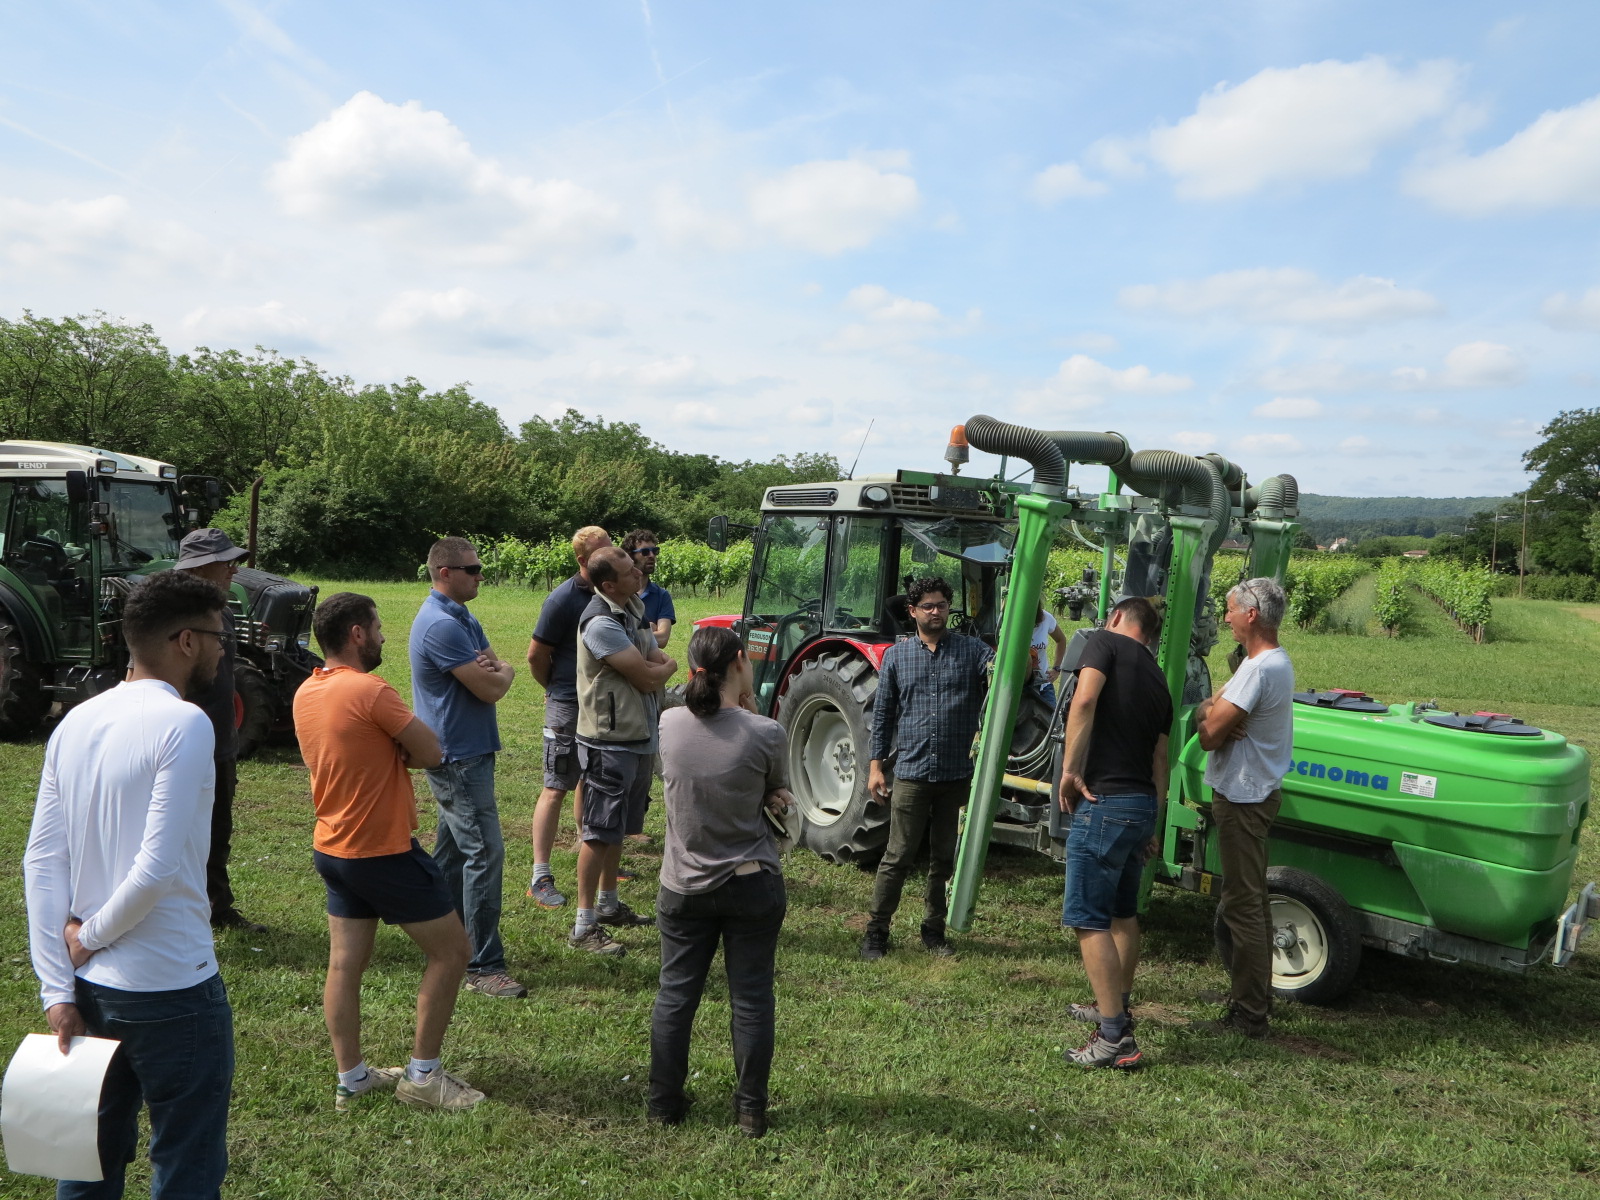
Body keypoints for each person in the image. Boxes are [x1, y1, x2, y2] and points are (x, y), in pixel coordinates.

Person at [23, 570, 234, 1198]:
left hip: (89, 990)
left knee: (85, 1161)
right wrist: (88, 938)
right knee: (186, 1166)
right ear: (187, 641)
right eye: (219, 637)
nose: (223, 651)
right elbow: (157, 867)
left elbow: (42, 860)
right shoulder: (186, 722)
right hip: (172, 986)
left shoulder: (75, 722)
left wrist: (57, 987)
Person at [295, 592, 484, 1112]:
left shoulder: (306, 691)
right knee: (452, 953)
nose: (382, 636)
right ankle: (423, 1077)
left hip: (333, 847)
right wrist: (399, 750)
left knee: (344, 964)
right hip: (382, 851)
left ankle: (352, 1079)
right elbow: (432, 751)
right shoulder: (370, 690)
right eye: (377, 628)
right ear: (356, 633)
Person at [649, 626, 791, 1138]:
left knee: (675, 996)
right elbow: (776, 788)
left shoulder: (669, 723)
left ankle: (663, 1103)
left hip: (683, 887)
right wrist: (750, 709)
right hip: (751, 883)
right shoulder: (765, 732)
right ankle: (751, 1110)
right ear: (738, 664)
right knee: (751, 999)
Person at [1055, 597, 1171, 1070]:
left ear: (1118, 617)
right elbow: (1161, 759)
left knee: (1089, 919)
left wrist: (1069, 770)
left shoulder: (1104, 642)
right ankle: (1115, 1004)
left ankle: (1113, 1036)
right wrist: (1152, 821)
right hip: (1141, 805)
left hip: (1105, 803)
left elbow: (1084, 700)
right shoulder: (1160, 678)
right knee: (1123, 913)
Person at [409, 537, 524, 999]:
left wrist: (498, 668)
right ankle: (481, 965)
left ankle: (439, 939)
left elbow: (494, 666)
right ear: (445, 573)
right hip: (457, 756)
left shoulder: (461, 616)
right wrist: (503, 672)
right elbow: (492, 686)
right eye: (472, 569)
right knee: (484, 853)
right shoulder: (441, 625)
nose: (480, 575)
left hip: (468, 751)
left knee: (454, 855)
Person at [860, 576, 993, 961]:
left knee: (945, 859)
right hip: (913, 774)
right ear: (913, 611)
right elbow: (883, 716)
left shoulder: (972, 651)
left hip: (957, 775)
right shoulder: (897, 657)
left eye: (942, 605)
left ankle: (934, 930)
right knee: (897, 856)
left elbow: (1002, 675)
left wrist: (1025, 662)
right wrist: (876, 768)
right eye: (928, 606)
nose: (936, 612)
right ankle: (876, 932)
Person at [1194, 577, 1295, 1039]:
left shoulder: (1257, 671)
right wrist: (1211, 712)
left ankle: (1250, 1013)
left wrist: (1210, 718)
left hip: (1242, 798)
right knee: (1252, 900)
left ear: (1251, 614)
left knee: (1242, 906)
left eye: (1231, 609)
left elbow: (1208, 735)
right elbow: (1211, 711)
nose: (1226, 617)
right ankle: (1252, 995)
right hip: (1256, 794)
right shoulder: (1268, 662)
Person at [569, 546, 677, 955]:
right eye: (629, 571)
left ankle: (608, 904)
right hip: (608, 741)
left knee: (617, 829)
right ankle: (583, 925)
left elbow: (651, 660)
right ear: (608, 584)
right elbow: (649, 675)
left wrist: (654, 667)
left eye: (636, 567)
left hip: (636, 736)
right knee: (598, 832)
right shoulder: (600, 623)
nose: (639, 574)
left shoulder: (632, 608)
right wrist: (664, 669)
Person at [174, 527, 266, 933]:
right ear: (198, 567)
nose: (234, 569)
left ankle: (217, 908)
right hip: (183, 745)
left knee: (216, 831)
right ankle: (174, 913)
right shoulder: (170, 616)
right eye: (225, 562)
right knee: (177, 832)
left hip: (220, 742)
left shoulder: (221, 611)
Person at [525, 525, 613, 907]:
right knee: (556, 785)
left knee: (595, 781)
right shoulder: (562, 599)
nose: (609, 556)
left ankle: (594, 855)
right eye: (600, 552)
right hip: (567, 704)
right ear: (582, 560)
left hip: (600, 704)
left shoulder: (612, 593)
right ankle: (539, 877)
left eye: (611, 548)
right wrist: (556, 688)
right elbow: (535, 655)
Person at [624, 528, 676, 649]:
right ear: (630, 556)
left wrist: (629, 634)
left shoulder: (661, 595)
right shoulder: (619, 592)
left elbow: (662, 639)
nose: (652, 555)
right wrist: (648, 629)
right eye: (645, 552)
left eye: (655, 551)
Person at [1032, 603, 1069, 707]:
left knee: (1051, 715)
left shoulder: (1045, 618)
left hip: (1043, 684)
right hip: (1019, 686)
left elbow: (1061, 640)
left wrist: (1056, 668)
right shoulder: (1009, 620)